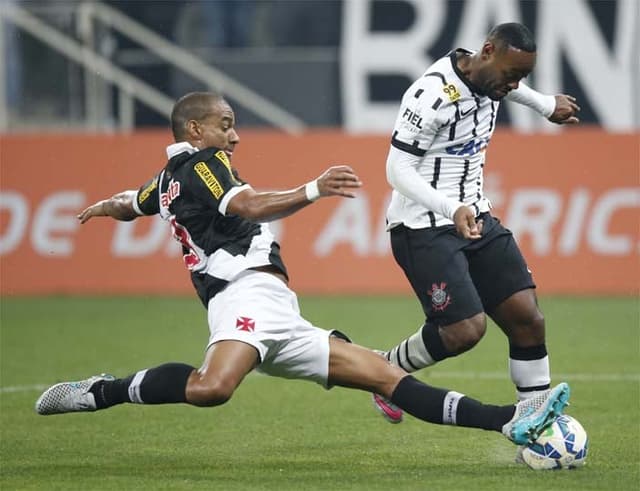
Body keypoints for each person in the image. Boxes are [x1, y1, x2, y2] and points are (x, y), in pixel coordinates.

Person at [35, 92, 570, 448]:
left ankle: (509, 420)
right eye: (226, 126)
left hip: (278, 309)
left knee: (387, 377)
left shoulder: (169, 175)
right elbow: (245, 205)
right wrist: (312, 190)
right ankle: (101, 391)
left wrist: (109, 204)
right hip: (241, 298)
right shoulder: (203, 163)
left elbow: (139, 201)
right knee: (211, 389)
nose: (235, 137)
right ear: (195, 129)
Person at [371, 23, 581, 424]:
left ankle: (536, 424)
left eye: (521, 77)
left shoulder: (490, 79)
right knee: (464, 330)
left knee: (527, 317)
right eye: (510, 75)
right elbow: (397, 168)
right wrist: (451, 207)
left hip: (476, 215)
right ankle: (382, 369)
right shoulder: (431, 94)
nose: (513, 84)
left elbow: (510, 85)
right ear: (488, 51)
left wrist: (545, 105)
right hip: (422, 225)